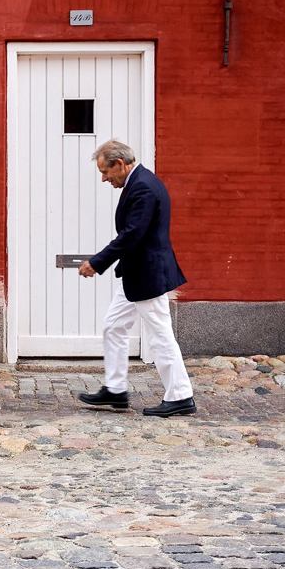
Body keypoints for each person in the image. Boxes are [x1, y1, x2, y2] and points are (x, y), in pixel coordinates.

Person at [77, 140, 196, 417]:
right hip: (136, 274)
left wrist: (97, 262)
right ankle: (115, 390)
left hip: (147, 275)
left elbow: (132, 235)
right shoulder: (140, 182)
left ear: (120, 164)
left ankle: (180, 395)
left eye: (105, 172)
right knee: (114, 326)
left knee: (160, 335)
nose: (105, 179)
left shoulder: (143, 187)